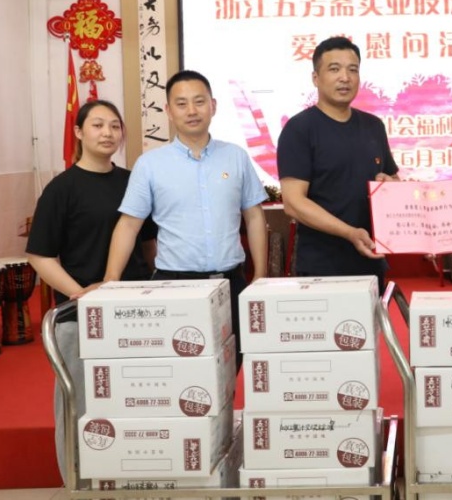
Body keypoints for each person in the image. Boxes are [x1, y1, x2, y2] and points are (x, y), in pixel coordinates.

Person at [25, 100, 156, 485]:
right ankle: (77, 484)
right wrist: (80, 294)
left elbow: (147, 244)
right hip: (80, 316)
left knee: (135, 400)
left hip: (134, 314)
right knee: (77, 406)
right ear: (79, 132)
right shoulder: (61, 189)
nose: (108, 133)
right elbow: (39, 255)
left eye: (115, 126)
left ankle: (129, 478)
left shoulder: (132, 181)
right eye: (97, 125)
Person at [102, 70, 269, 347]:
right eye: (181, 104)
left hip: (231, 282)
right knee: (181, 362)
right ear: (168, 111)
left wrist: (260, 276)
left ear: (213, 105)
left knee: (234, 359)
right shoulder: (150, 164)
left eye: (199, 102)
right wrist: (111, 278)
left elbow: (254, 217)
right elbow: (129, 225)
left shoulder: (236, 156)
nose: (191, 111)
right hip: (174, 286)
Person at [277, 36, 399, 287]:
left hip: (370, 261)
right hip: (321, 267)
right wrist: (349, 233)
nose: (345, 77)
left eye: (353, 70)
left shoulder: (373, 126)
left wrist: (390, 185)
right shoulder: (299, 129)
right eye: (334, 69)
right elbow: (293, 203)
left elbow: (393, 180)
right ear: (315, 78)